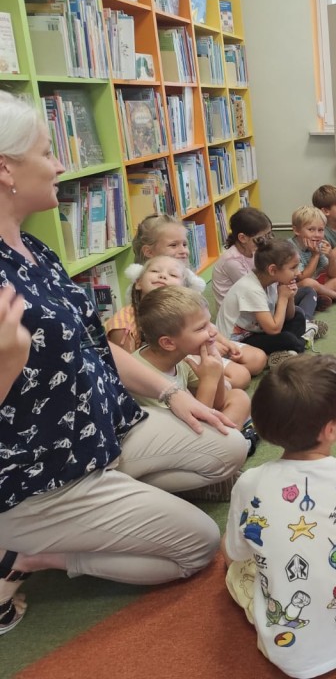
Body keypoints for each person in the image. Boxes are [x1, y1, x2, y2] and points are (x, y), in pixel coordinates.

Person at [0, 90, 245, 635]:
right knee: (197, 545)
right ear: (5, 169)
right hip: (45, 473)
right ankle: (25, 556)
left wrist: (172, 393)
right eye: (47, 153)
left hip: (105, 428)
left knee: (229, 446)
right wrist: (7, 363)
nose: (59, 165)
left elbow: (94, 344)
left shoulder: (35, 250)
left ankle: (114, 502)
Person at [224, 354, 336, 677]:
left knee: (232, 560)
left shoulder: (249, 482)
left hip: (284, 647)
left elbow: (237, 553)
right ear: (330, 429)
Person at [132, 213, 267, 382]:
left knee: (257, 359)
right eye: (173, 245)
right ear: (149, 251)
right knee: (241, 377)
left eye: (184, 244)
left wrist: (223, 341)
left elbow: (202, 321)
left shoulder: (186, 278)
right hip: (181, 351)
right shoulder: (151, 285)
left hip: (202, 337)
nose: (183, 250)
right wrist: (209, 346)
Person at [134, 285, 252, 428]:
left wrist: (217, 366)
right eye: (201, 327)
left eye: (209, 322)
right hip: (172, 432)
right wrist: (208, 380)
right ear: (168, 343)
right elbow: (196, 427)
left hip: (186, 423)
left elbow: (218, 403)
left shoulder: (179, 357)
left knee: (238, 396)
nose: (214, 331)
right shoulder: (145, 379)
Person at [211, 207, 324, 340]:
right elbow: (256, 295)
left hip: (262, 304)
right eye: (261, 238)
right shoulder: (233, 262)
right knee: (287, 337)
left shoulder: (258, 253)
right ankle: (303, 331)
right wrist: (283, 297)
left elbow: (272, 289)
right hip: (245, 317)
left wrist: (287, 294)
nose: (267, 242)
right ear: (242, 238)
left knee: (304, 298)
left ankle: (305, 324)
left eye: (269, 235)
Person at [216, 237, 309, 365]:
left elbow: (289, 316)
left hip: (259, 329)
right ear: (272, 270)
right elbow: (273, 330)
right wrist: (283, 298)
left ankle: (285, 352)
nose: (298, 273)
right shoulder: (251, 288)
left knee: (298, 316)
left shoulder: (271, 279)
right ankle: (298, 344)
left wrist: (290, 296)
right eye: (293, 268)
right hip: (238, 341)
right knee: (288, 339)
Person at [105, 254, 188, 354]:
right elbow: (124, 362)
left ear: (183, 290)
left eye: (173, 275)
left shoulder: (188, 316)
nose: (162, 276)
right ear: (138, 283)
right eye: (155, 271)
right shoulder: (123, 323)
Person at [289, 205, 336, 309]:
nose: (317, 235)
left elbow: (333, 274)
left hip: (316, 283)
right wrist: (315, 255)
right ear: (296, 230)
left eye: (321, 230)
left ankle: (318, 298)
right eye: (311, 230)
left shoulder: (318, 244)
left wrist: (331, 257)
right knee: (309, 283)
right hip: (296, 289)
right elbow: (302, 278)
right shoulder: (291, 249)